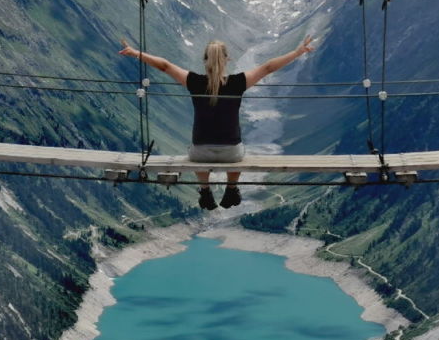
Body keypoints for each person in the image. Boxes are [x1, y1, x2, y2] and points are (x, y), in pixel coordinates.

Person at [118, 35, 315, 210]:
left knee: (196, 149)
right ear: (228, 59)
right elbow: (268, 67)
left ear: (205, 60)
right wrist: (297, 52)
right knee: (239, 149)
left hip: (200, 153)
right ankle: (231, 188)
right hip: (232, 153)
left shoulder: (194, 81)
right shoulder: (239, 82)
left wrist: (136, 53)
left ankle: (205, 190)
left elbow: (165, 66)